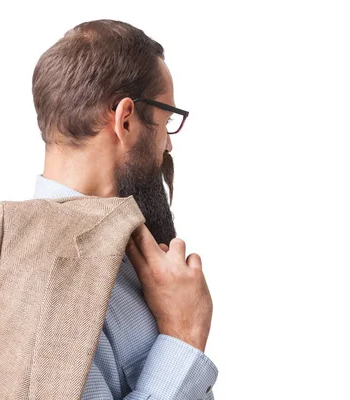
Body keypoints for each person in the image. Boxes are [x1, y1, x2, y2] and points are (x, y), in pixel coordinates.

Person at [31, 19, 218, 399]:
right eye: (166, 123)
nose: (167, 146)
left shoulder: (118, 251)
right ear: (126, 119)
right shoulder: (49, 278)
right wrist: (182, 335)